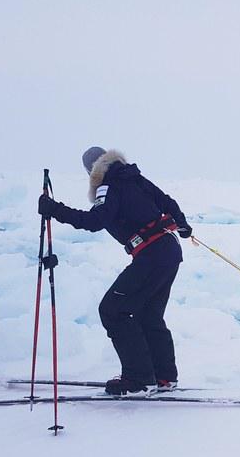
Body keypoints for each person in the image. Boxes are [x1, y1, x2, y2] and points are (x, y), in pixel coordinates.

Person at [37, 147, 193, 396]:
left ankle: (140, 380)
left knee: (112, 310)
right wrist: (183, 225)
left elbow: (94, 221)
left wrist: (54, 209)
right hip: (168, 251)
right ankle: (163, 376)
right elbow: (167, 202)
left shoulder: (107, 187)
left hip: (152, 254)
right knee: (148, 314)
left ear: (91, 170)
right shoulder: (135, 178)